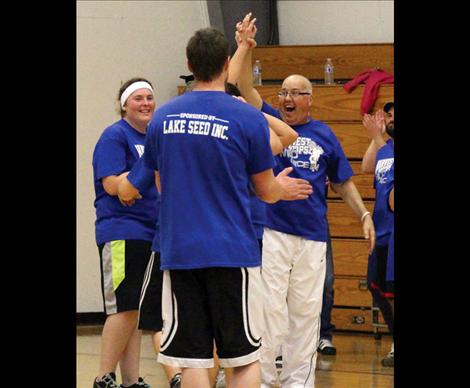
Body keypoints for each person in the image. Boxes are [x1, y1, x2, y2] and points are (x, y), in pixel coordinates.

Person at [118, 26, 312, 388]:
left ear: (189, 64)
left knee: (192, 358)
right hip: (232, 252)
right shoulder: (247, 118)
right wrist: (281, 188)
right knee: (242, 358)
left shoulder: (163, 118)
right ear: (226, 64)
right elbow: (265, 190)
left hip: (180, 251)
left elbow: (157, 182)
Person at [234, 14, 375, 387]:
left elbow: (342, 181)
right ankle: (263, 380)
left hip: (313, 235)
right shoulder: (266, 119)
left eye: (296, 93)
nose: (287, 98)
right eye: (283, 92)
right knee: (270, 311)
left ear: (310, 99)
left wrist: (363, 214)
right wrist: (245, 47)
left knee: (306, 313)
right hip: (274, 231)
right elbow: (242, 86)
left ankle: (299, 381)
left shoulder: (325, 134)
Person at [91, 78, 156, 388]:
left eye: (149, 98)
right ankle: (103, 376)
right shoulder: (115, 136)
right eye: (138, 98)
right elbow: (112, 185)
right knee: (123, 307)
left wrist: (133, 183)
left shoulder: (155, 139)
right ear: (124, 105)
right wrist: (127, 186)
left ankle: (131, 380)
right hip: (122, 231)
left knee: (137, 313)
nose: (145, 103)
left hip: (151, 233)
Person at [362, 101, 394, 367]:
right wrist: (377, 137)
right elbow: (366, 166)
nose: (391, 119)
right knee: (376, 286)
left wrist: (378, 137)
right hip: (381, 231)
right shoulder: (385, 149)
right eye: (390, 115)